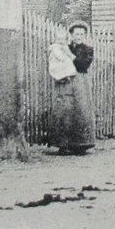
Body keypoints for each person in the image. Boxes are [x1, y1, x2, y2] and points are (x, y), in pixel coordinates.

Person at [46, 22, 95, 155]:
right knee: (65, 111)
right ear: (71, 35)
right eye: (76, 34)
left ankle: (81, 145)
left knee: (81, 110)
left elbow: (83, 65)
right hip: (65, 82)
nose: (78, 36)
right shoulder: (63, 47)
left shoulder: (88, 49)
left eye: (81, 34)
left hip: (81, 83)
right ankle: (63, 144)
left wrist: (69, 54)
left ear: (85, 35)